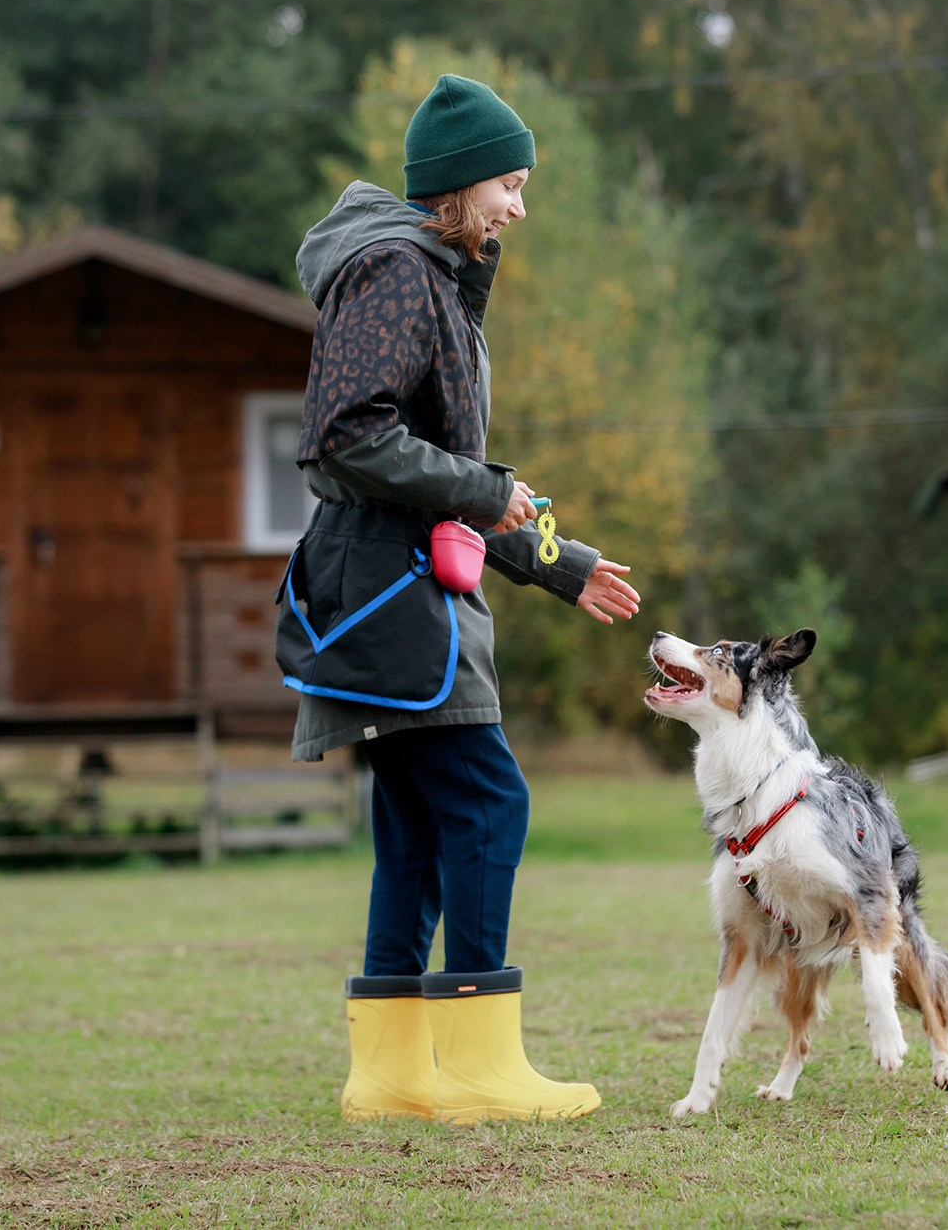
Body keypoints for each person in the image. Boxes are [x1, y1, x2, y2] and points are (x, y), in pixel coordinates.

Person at [283, 74, 641, 1123]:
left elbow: (434, 473)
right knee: (488, 802)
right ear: (452, 185)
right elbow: (346, 437)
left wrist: (556, 560)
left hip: (389, 587)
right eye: (509, 184)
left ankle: (390, 1073)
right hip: (390, 600)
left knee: (417, 826)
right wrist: (490, 491)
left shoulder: (426, 272)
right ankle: (482, 1065)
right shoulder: (396, 271)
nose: (518, 210)